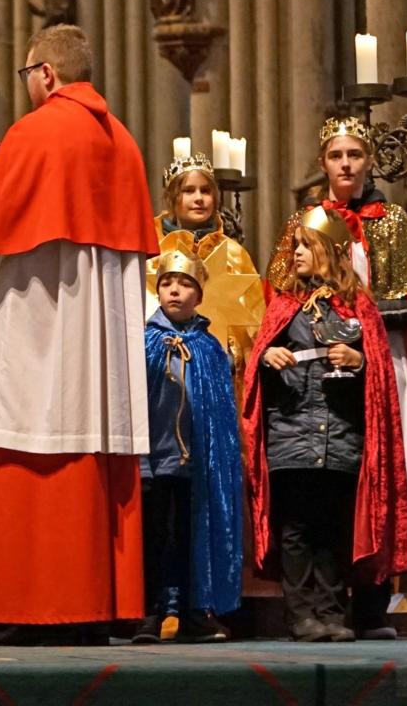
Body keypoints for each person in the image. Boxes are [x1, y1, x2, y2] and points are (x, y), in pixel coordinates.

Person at [0, 24, 159, 646]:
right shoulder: (122, 141)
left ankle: (30, 606)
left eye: (26, 75)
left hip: (38, 319)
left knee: (33, 423)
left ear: (46, 74)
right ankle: (98, 605)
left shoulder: (33, 131)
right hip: (99, 340)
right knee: (92, 425)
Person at [266, 116, 407, 638]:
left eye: (355, 155)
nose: (345, 164)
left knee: (379, 482)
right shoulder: (305, 221)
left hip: (378, 361)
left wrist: (361, 328)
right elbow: (280, 298)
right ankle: (316, 609)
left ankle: (370, 605)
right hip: (310, 373)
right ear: (323, 163)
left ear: (368, 160)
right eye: (335, 155)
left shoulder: (392, 220)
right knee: (320, 505)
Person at [241, 208, 407, 642]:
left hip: (340, 436)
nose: (295, 252)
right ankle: (301, 615)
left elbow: (378, 380)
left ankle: (333, 613)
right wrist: (266, 358)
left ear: (331, 253)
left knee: (333, 527)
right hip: (292, 435)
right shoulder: (283, 306)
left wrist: (360, 360)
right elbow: (257, 362)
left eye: (305, 245)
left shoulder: (360, 308)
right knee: (297, 528)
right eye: (295, 245)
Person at [133, 240, 243, 644]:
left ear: (199, 294)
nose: (175, 291)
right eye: (167, 284)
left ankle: (196, 612)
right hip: (154, 463)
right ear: (157, 292)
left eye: (184, 284)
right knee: (155, 539)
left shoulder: (209, 348)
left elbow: (221, 413)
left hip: (194, 465)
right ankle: (151, 612)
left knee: (191, 538)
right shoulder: (143, 342)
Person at [152, 153, 264, 365]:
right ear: (172, 197)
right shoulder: (154, 250)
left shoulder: (234, 253)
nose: (199, 198)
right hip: (166, 362)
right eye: (188, 191)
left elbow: (255, 321)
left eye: (206, 191)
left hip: (222, 363)